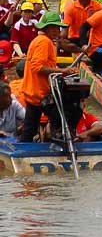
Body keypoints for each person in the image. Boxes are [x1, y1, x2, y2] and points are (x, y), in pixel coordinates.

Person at [19, 9, 67, 141]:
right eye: (53, 28)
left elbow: (45, 65)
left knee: (31, 126)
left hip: (37, 91)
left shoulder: (43, 40)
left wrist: (59, 70)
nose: (57, 31)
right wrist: (62, 71)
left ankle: (33, 144)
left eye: (58, 27)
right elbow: (37, 67)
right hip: (38, 92)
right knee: (59, 117)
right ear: (46, 28)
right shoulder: (44, 42)